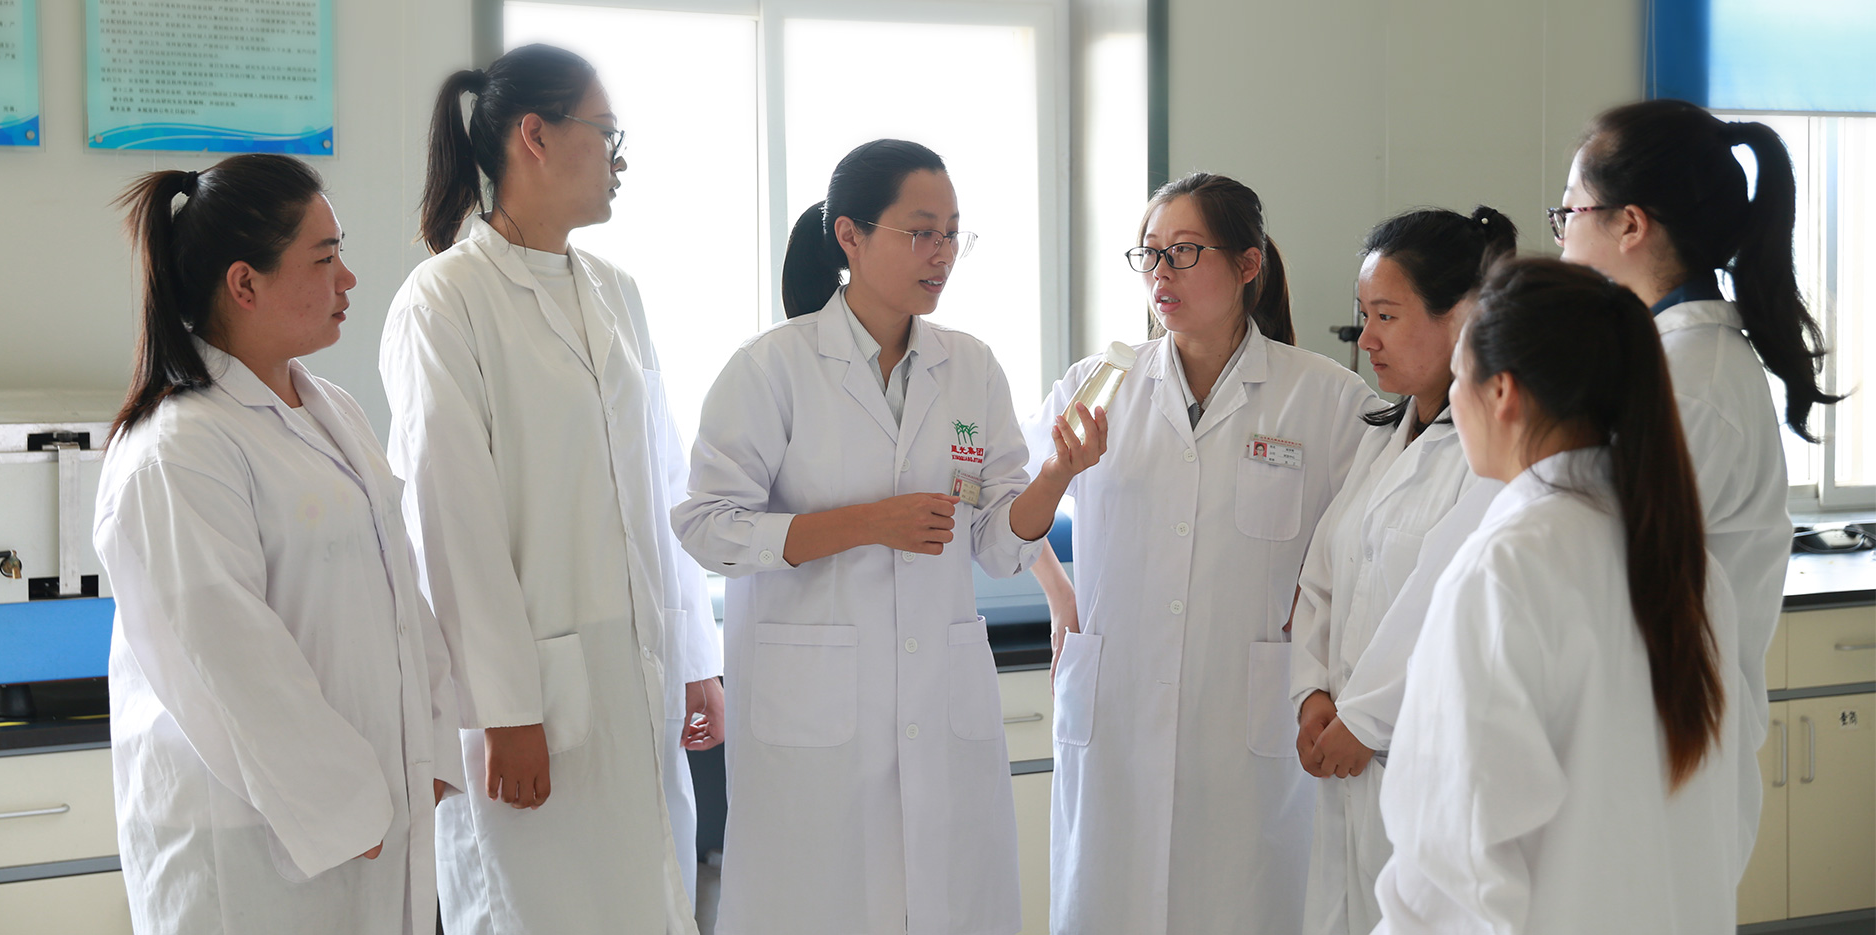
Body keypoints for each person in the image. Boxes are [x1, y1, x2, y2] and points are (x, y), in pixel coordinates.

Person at [673, 139, 1104, 935]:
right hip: (815, 727)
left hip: (941, 705)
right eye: (921, 232)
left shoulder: (971, 367)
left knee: (949, 904)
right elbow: (706, 528)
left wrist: (1057, 475)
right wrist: (870, 522)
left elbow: (998, 541)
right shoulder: (773, 368)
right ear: (851, 235)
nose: (942, 253)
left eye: (953, 233)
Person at [380, 44, 722, 935]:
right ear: (534, 136)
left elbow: (665, 478)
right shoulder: (443, 301)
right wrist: (504, 710)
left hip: (637, 679)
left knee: (651, 904)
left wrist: (696, 653)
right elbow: (449, 518)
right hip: (533, 700)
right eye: (606, 134)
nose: (618, 159)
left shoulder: (618, 293)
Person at [96, 154, 461, 935]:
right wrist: (344, 803)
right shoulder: (178, 448)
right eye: (324, 259)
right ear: (245, 284)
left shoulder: (334, 410)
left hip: (371, 816)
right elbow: (227, 658)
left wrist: (429, 748)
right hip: (255, 843)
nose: (349, 279)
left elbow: (403, 597)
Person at [1028, 172, 1379, 934]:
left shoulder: (1324, 399)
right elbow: (1010, 510)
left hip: (1248, 722)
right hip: (1116, 710)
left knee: (1242, 903)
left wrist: (1319, 634)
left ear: (1249, 265)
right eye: (1150, 253)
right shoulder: (1098, 384)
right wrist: (1062, 600)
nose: (1161, 273)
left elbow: (1370, 548)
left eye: (1184, 252)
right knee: (1109, 900)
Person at [1372, 257, 1741, 934]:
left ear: (1501, 392)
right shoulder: (1689, 568)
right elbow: (1730, 810)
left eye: (1458, 377)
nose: (1454, 399)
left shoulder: (1504, 568)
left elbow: (1454, 868)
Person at [1554, 99, 1841, 862]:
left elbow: (1605, 572)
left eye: (1569, 212)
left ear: (1630, 224)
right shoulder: (1666, 361)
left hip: (1659, 751)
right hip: (1640, 738)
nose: (1561, 237)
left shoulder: (1691, 384)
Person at [1290, 206, 1515, 935]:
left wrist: (1364, 720)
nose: (1367, 339)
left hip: (1420, 758)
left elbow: (1444, 603)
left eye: (1386, 315)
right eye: (1364, 316)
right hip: (1348, 759)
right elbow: (1323, 576)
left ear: (1463, 317)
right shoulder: (1383, 438)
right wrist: (1312, 693)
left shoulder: (1491, 455)